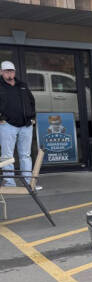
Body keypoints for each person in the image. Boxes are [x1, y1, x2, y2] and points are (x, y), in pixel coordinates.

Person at [0, 60, 40, 190]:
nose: (9, 73)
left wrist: (32, 117)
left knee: (25, 155)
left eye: (11, 71)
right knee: (7, 156)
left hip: (26, 126)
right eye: (6, 71)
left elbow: (31, 101)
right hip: (7, 125)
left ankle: (29, 183)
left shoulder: (22, 85)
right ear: (1, 72)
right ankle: (10, 184)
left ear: (14, 72)